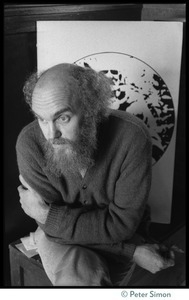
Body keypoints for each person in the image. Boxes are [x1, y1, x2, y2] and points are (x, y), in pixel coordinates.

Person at [16, 63, 175, 286]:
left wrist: (47, 215)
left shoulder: (133, 137)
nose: (51, 134)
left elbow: (121, 225)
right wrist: (132, 251)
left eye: (63, 118)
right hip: (62, 242)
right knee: (79, 278)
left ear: (91, 109)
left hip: (122, 236)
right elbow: (51, 231)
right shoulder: (29, 144)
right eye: (42, 119)